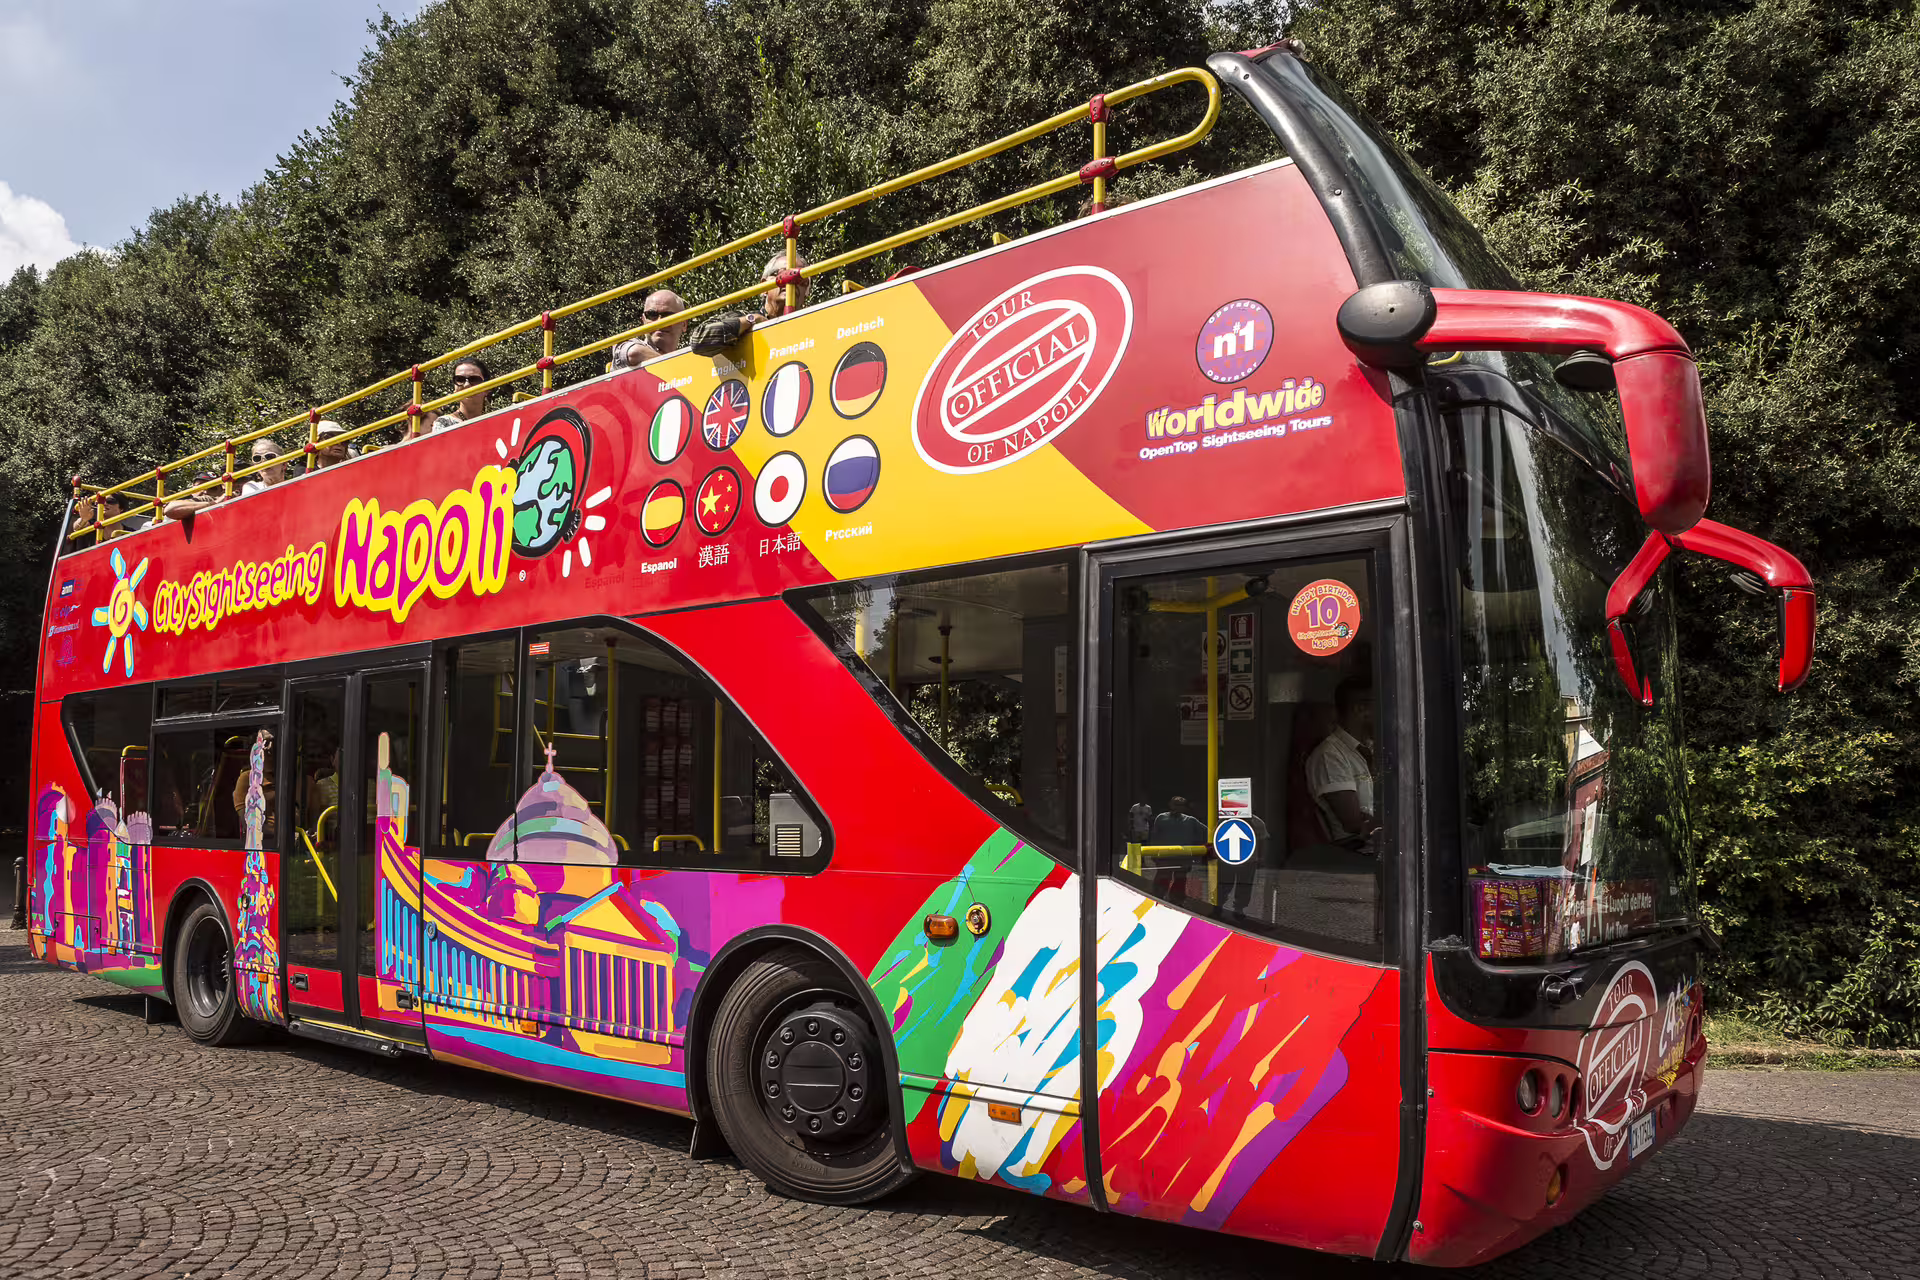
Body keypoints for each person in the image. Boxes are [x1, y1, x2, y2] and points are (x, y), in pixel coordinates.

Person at [690, 253, 812, 354]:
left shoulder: (812, 326)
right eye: (783, 274)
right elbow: (698, 339)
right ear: (764, 286)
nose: (792, 281)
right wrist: (752, 320)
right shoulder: (744, 318)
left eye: (801, 280)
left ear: (806, 293)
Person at [1306, 678, 1379, 846]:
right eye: (1381, 708)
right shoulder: (1330, 755)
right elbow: (1354, 822)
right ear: (1361, 709)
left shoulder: (1371, 748)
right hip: (1354, 847)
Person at [610, 289, 688, 368]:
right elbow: (633, 353)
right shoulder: (629, 345)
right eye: (652, 314)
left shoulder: (688, 359)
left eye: (667, 315)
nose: (659, 321)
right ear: (643, 321)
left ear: (684, 324)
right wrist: (674, 368)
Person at [429, 359, 492, 433]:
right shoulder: (444, 423)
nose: (466, 385)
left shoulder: (494, 421)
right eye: (460, 379)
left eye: (474, 379)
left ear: (487, 389)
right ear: (455, 389)